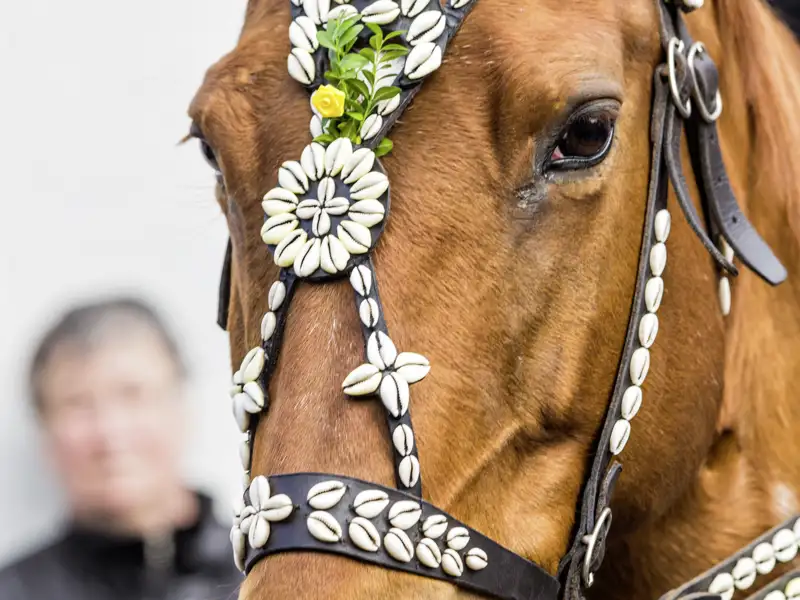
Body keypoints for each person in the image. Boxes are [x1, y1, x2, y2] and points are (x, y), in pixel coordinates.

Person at [0, 299, 241, 600]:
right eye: (77, 404)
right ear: (45, 430)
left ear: (181, 407)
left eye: (132, 394)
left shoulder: (270, 577)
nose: (109, 432)